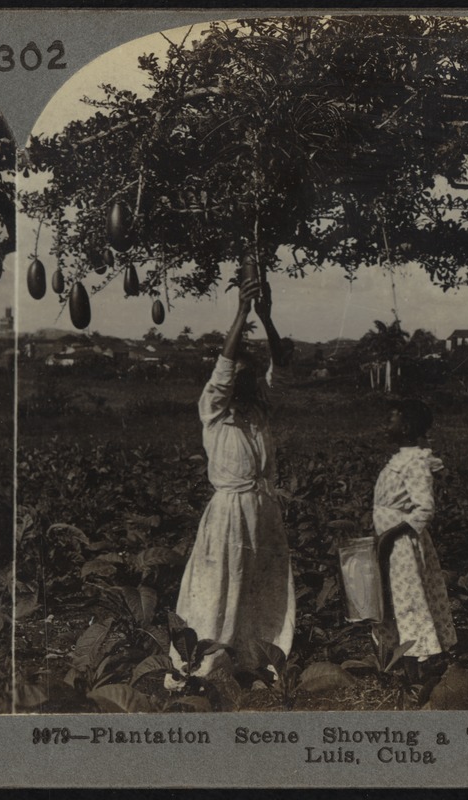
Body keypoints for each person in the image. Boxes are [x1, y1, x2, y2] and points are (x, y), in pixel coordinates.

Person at [171, 277, 295, 680]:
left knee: (263, 582)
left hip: (262, 509)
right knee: (220, 582)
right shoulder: (214, 414)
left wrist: (268, 317)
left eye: (250, 377)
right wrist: (241, 313)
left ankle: (255, 656)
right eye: (238, 377)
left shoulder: (260, 417)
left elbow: (283, 370)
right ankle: (205, 660)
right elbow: (223, 370)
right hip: (227, 511)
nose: (243, 382)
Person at [372, 399, 458, 664]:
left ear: (406, 427)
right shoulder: (401, 459)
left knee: (407, 597)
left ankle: (419, 656)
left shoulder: (416, 463)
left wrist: (390, 534)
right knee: (388, 597)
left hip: (401, 545)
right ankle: (396, 650)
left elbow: (424, 509)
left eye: (391, 420)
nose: (385, 425)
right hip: (389, 543)